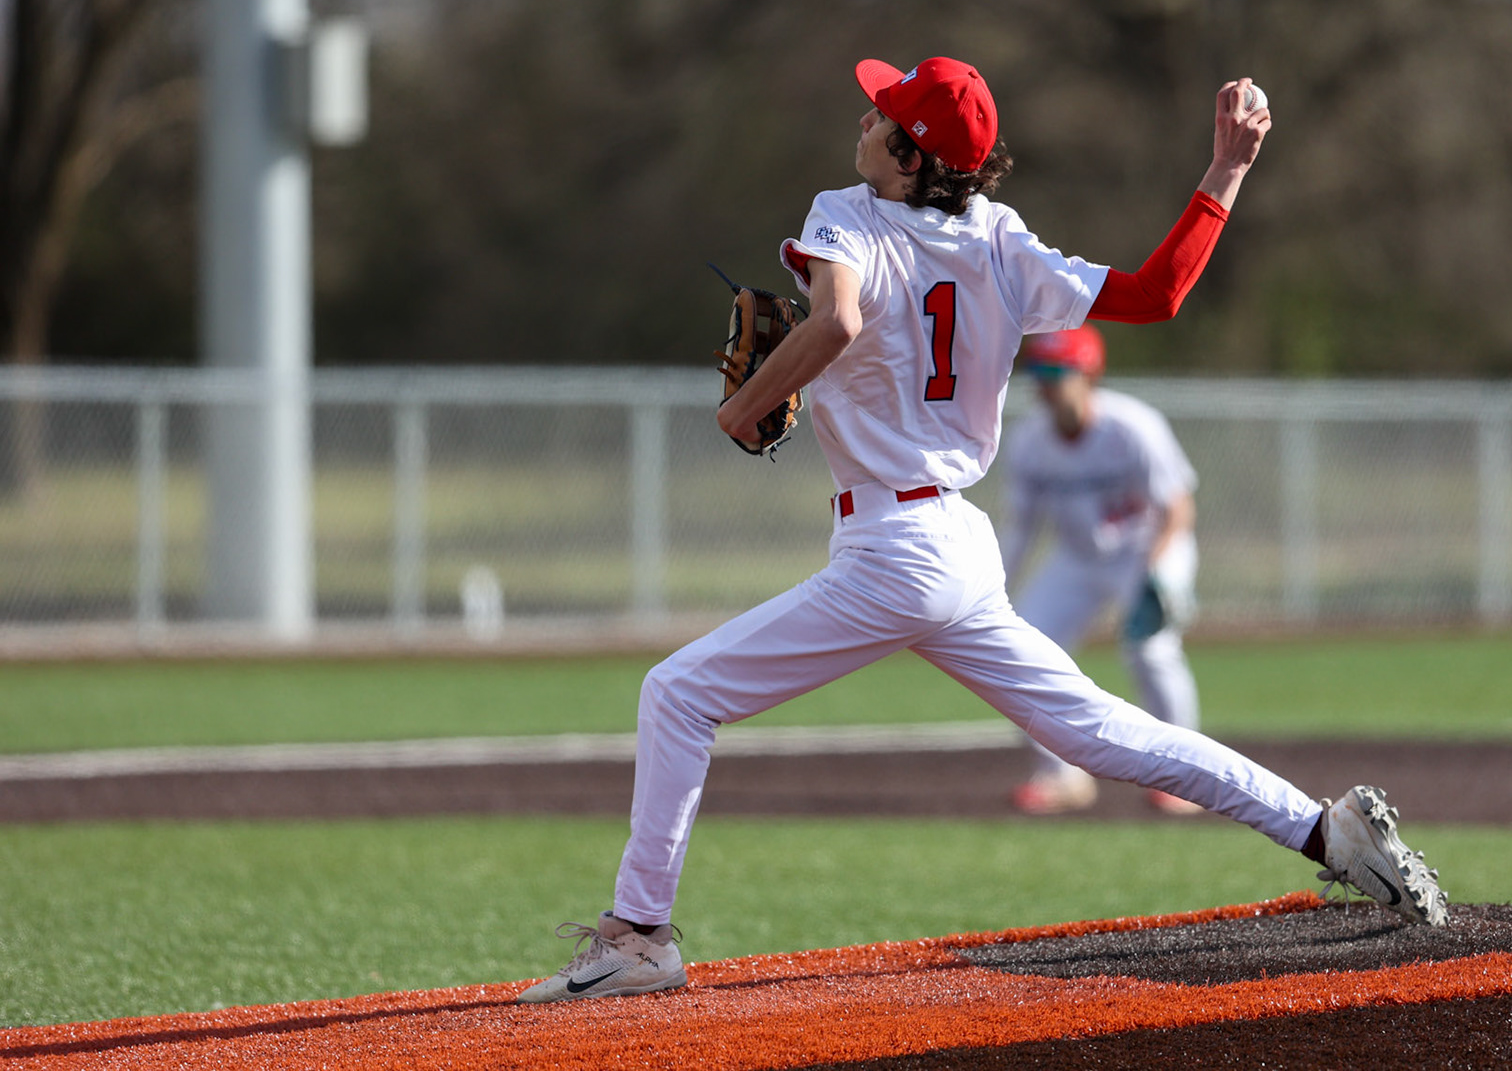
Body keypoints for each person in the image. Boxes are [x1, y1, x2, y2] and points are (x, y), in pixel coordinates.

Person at [518, 57, 1447, 1005]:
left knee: (677, 694)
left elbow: (836, 321)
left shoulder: (847, 208)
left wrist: (746, 403)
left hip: (894, 549)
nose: (869, 116)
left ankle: (637, 937)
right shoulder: (1001, 240)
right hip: (956, 542)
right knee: (1100, 730)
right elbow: (1159, 293)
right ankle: (1324, 831)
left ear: (911, 154)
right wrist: (1226, 171)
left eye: (886, 113)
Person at [998, 323, 1207, 816]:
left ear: (1088, 372)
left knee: (1150, 651)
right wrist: (994, 589)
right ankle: (1060, 776)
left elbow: (1178, 509)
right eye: (1039, 372)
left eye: (1057, 370)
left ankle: (1188, 776)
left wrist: (1156, 577)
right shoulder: (1030, 442)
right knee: (1018, 651)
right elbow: (1021, 528)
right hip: (1077, 557)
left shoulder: (1132, 426)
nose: (1045, 383)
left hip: (1145, 548)